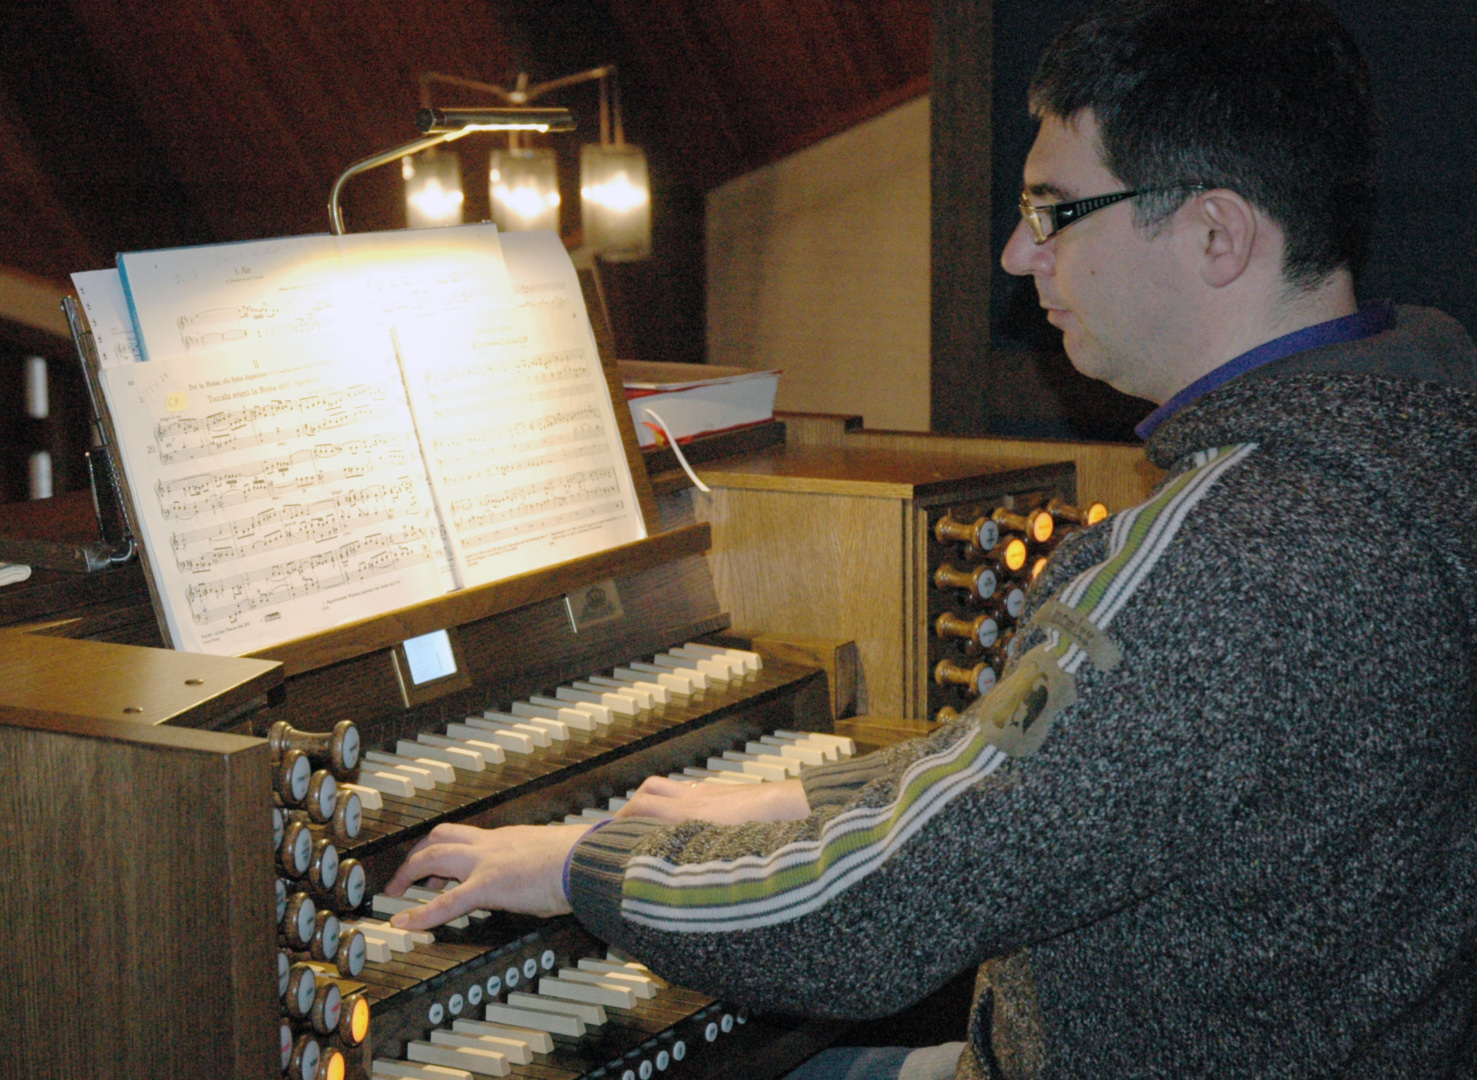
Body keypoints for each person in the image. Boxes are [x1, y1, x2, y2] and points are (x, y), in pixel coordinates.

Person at [385, 1, 1477, 1076]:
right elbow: (1071, 767)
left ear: (1213, 232)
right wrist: (799, 792)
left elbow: (865, 914)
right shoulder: (1420, 434)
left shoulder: (1233, 555)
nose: (1014, 255)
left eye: (1054, 210)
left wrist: (587, 859)